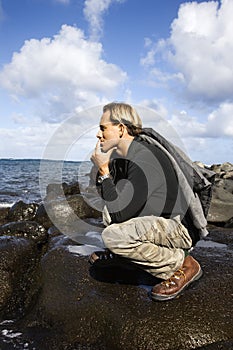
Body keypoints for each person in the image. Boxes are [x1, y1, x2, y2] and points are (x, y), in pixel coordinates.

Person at [89, 102, 203, 301]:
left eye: (103, 128)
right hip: (154, 221)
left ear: (121, 129)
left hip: (178, 228)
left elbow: (121, 213)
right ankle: (128, 257)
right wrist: (103, 172)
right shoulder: (126, 156)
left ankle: (181, 263)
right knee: (108, 213)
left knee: (113, 236)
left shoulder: (145, 158)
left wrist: (105, 171)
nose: (98, 134)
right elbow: (112, 200)